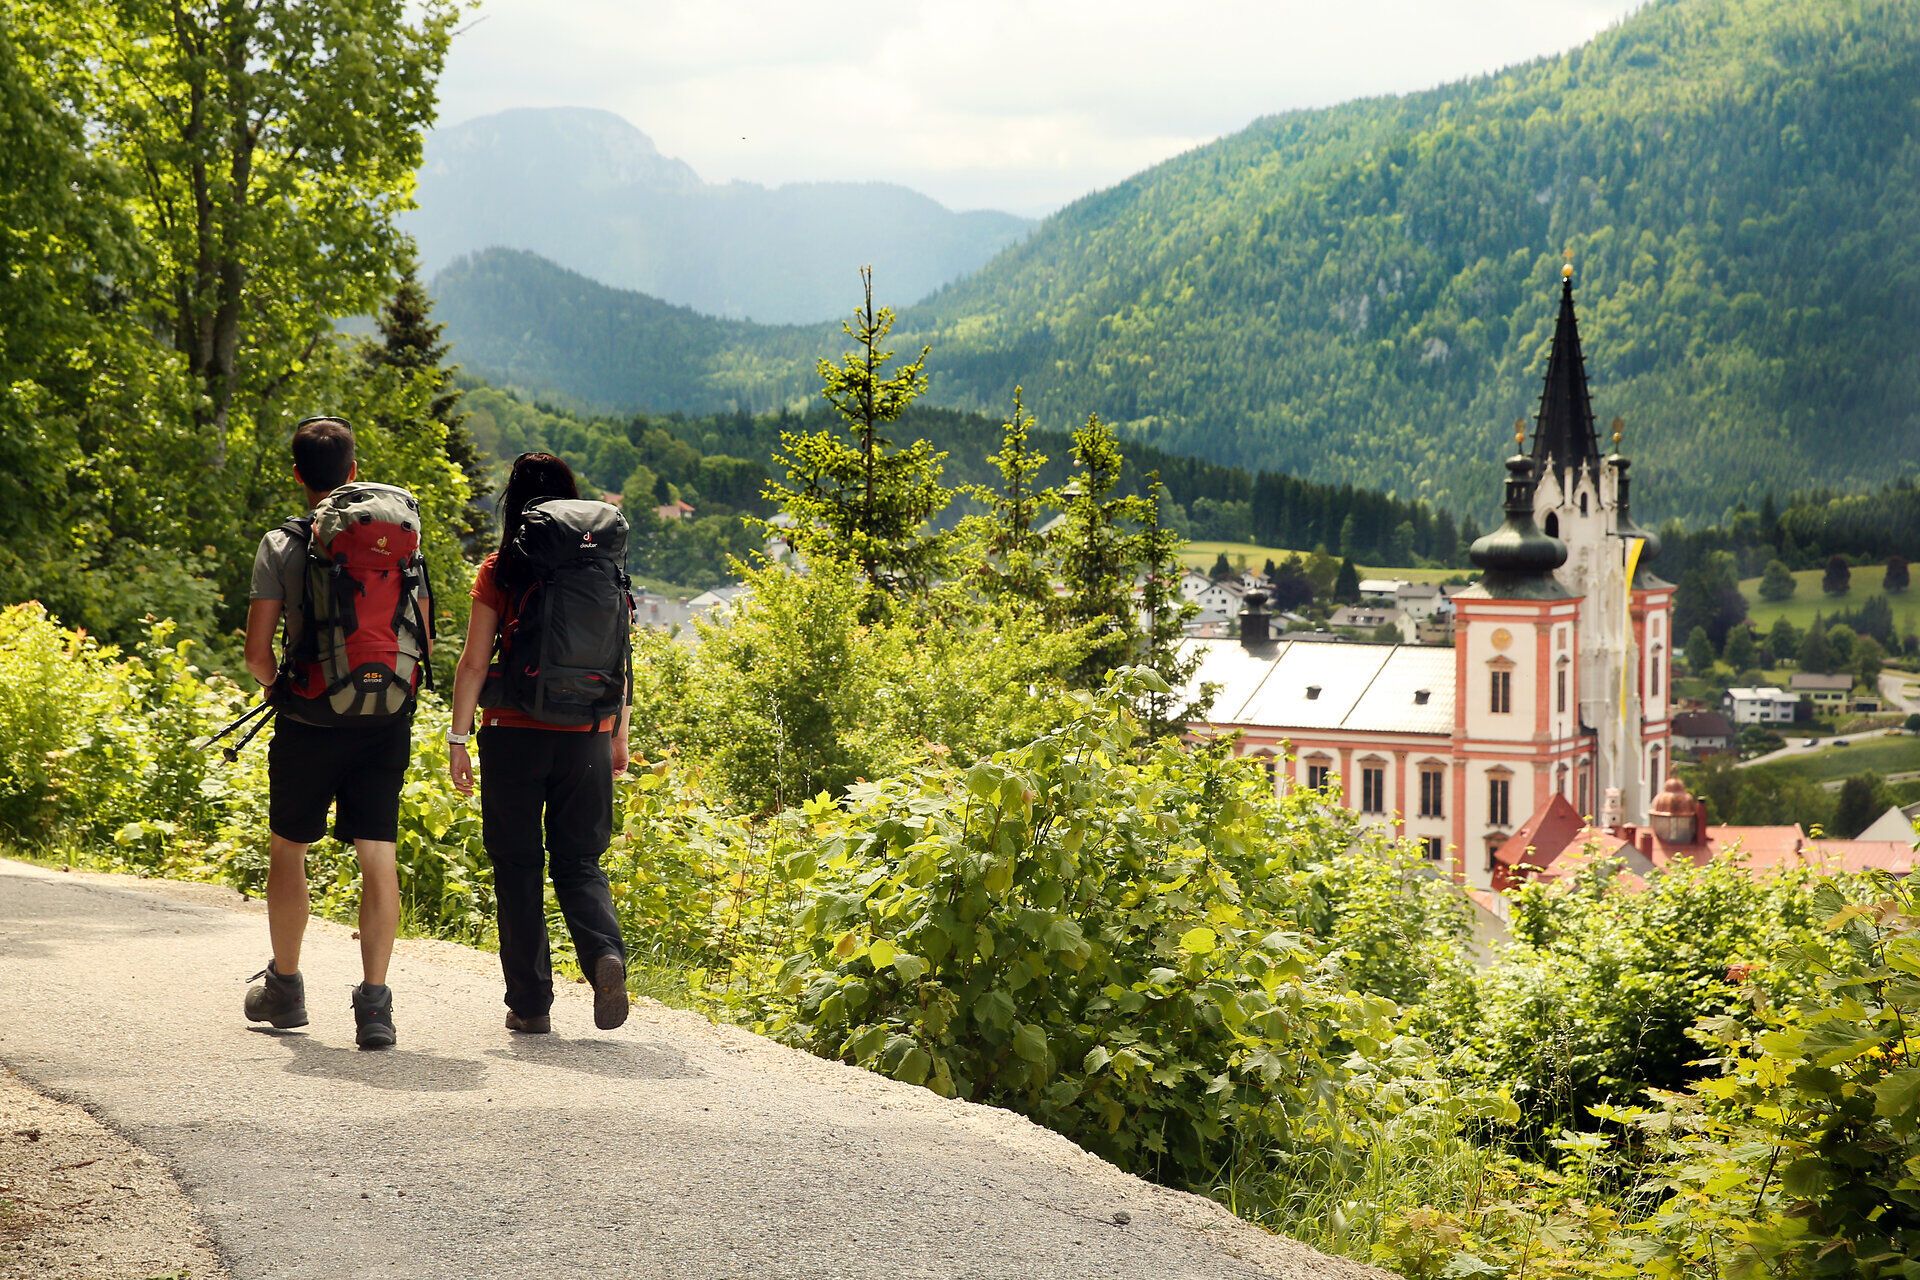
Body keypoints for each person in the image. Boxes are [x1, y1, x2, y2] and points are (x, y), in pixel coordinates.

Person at [241, 416, 428, 1049]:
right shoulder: (401, 539)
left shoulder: (282, 544)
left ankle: (286, 987)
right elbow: (424, 639)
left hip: (309, 718)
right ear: (353, 471)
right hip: (384, 718)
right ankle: (375, 1006)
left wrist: (279, 687)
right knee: (377, 852)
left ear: (298, 474)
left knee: (289, 848)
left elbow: (257, 654)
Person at [448, 452, 632, 1034]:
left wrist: (458, 737)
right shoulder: (605, 566)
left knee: (518, 866)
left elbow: (474, 662)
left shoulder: (501, 568)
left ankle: (530, 1006)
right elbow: (621, 657)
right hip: (588, 735)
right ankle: (604, 954)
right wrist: (619, 734)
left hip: (513, 733)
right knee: (579, 861)